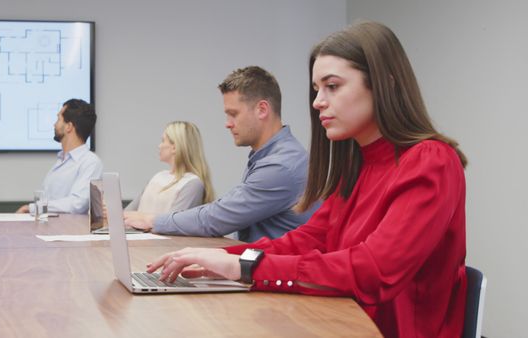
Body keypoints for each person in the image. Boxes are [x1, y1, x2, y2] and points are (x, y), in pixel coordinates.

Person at [146, 21, 468, 338]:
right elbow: (307, 240)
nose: (317, 103)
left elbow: (373, 271)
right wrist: (224, 259)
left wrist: (245, 269)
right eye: (317, 90)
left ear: (385, 83)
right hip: (339, 323)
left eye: (333, 86)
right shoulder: (359, 165)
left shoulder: (431, 161)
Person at [124, 66, 317, 242]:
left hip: (274, 275)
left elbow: (218, 218)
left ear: (262, 109)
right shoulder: (268, 156)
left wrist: (152, 220)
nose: (228, 123)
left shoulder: (281, 165)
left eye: (233, 114)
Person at [16, 99, 102, 214]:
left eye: (58, 119)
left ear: (69, 127)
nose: (54, 124)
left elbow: (77, 204)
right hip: (51, 228)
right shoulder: (62, 160)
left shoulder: (90, 162)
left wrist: (32, 208)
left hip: (69, 230)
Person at [124, 121, 215, 213]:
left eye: (163, 141)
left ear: (175, 147)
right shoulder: (158, 177)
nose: (159, 146)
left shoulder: (192, 183)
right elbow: (126, 214)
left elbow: (171, 223)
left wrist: (136, 219)